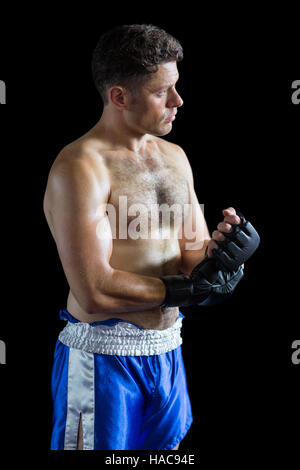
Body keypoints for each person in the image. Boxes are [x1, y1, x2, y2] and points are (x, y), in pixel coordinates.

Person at [43, 24, 260, 451]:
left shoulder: (175, 157)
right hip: (102, 361)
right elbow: (92, 290)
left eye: (176, 87)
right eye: (163, 92)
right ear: (120, 97)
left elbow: (190, 257)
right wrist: (188, 289)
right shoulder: (80, 167)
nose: (178, 101)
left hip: (167, 354)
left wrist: (222, 261)